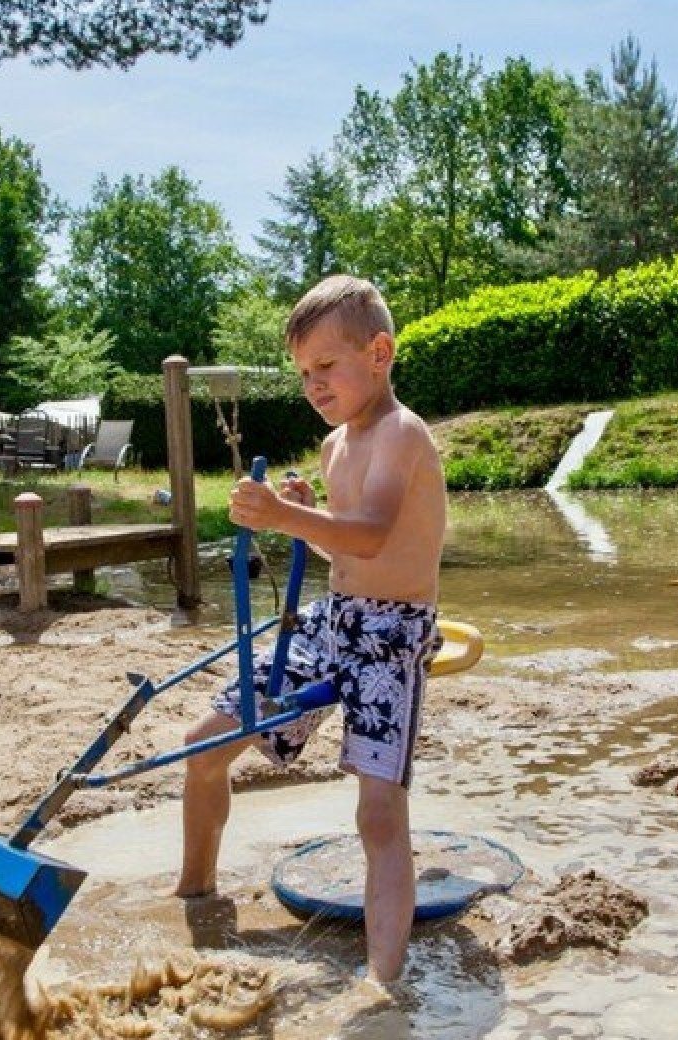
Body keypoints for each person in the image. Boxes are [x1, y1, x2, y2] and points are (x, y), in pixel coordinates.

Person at [174, 274, 447, 985]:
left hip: (391, 635)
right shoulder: (335, 446)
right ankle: (194, 894)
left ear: (379, 353)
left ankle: (383, 984)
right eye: (302, 372)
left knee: (378, 814)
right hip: (333, 620)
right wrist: (302, 520)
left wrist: (285, 515)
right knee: (204, 745)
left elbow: (374, 533)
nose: (313, 384)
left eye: (326, 365)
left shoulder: (401, 433)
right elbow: (347, 552)